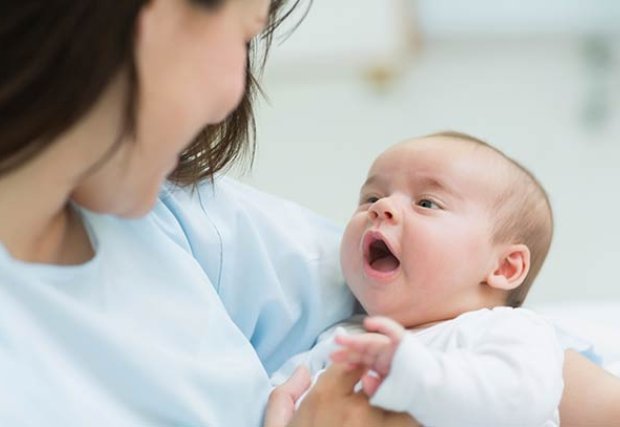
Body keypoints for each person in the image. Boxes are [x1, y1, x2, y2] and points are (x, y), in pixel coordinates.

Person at [0, 1, 618, 427]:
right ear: (154, 16)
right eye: (244, 35)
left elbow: (510, 351)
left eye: (425, 202)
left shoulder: (176, 217)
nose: (231, 94)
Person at [272, 132, 564, 426]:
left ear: (504, 268)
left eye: (427, 203)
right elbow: (279, 396)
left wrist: (416, 377)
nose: (381, 207)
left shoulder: (509, 330)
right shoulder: (338, 340)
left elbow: (520, 399)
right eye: (371, 197)